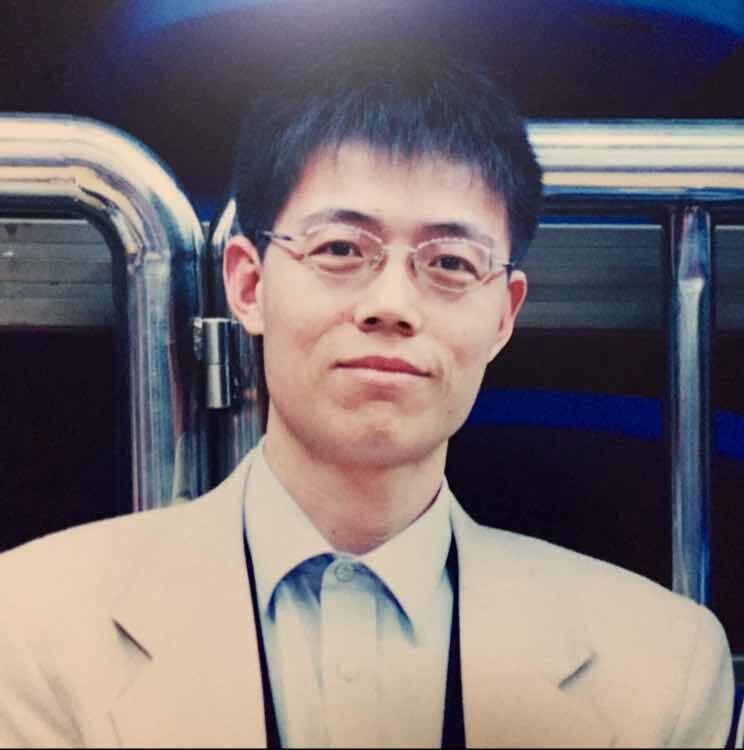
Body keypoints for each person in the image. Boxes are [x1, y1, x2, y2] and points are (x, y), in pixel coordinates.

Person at [0, 44, 734, 748]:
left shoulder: (658, 668)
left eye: (450, 262)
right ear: (249, 284)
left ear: (503, 316)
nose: (392, 304)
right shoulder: (32, 628)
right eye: (341, 249)